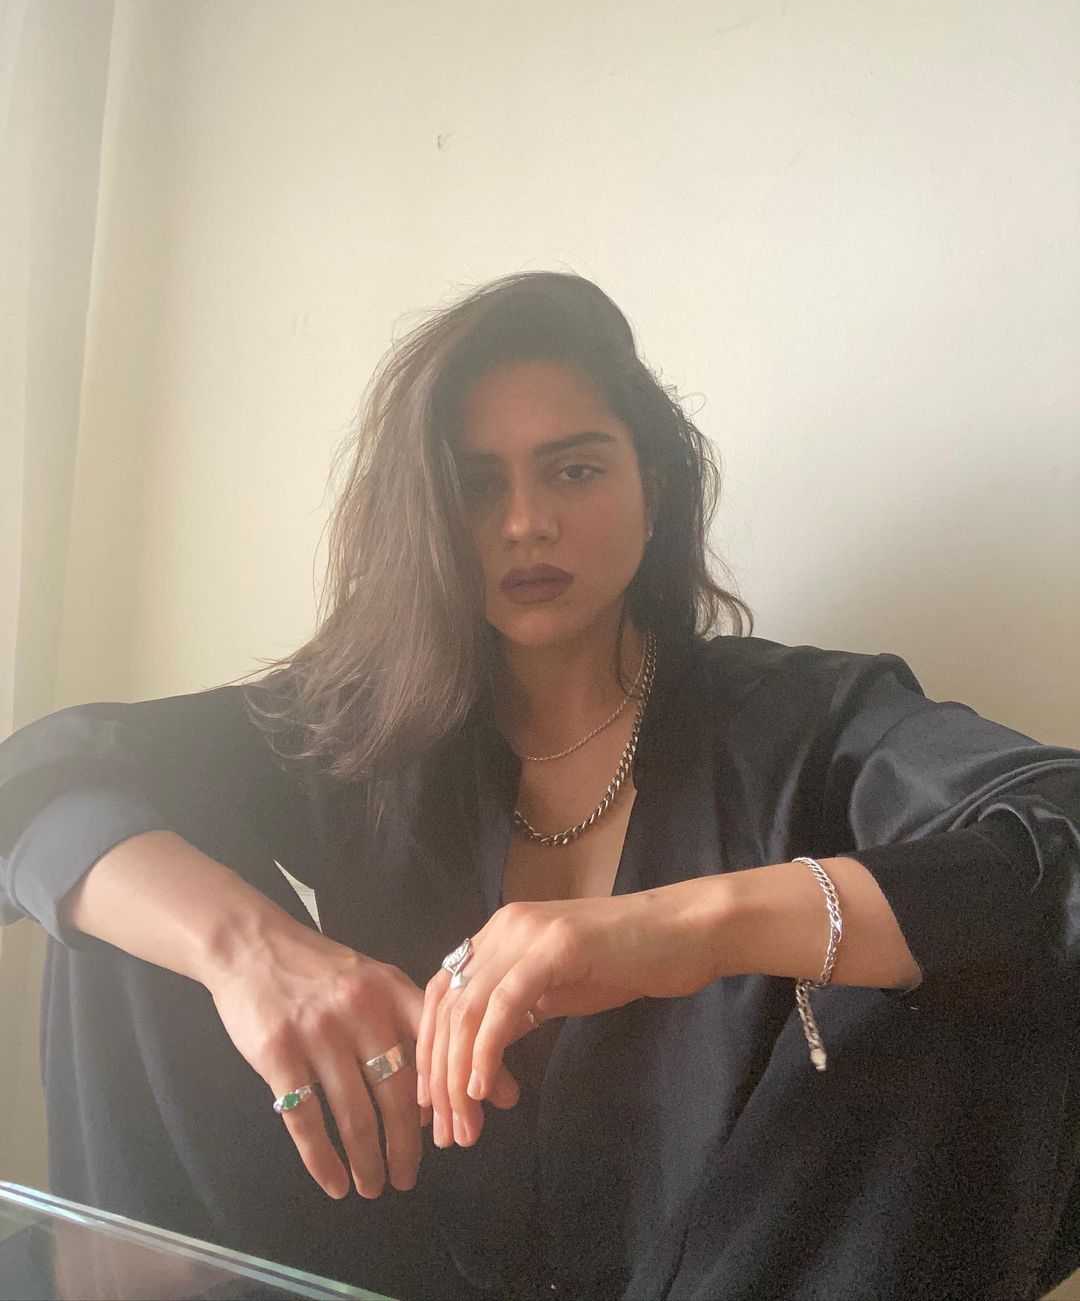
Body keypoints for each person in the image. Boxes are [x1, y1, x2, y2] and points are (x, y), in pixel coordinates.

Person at [1, 271, 1079, 1301]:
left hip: (742, 1264)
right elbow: (44, 781)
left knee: (982, 952)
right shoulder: (364, 727)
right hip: (376, 1258)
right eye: (478, 486)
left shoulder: (797, 719)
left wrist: (687, 929)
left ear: (652, 490)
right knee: (135, 892)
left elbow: (1058, 837)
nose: (526, 522)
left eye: (574, 470)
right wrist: (252, 953)